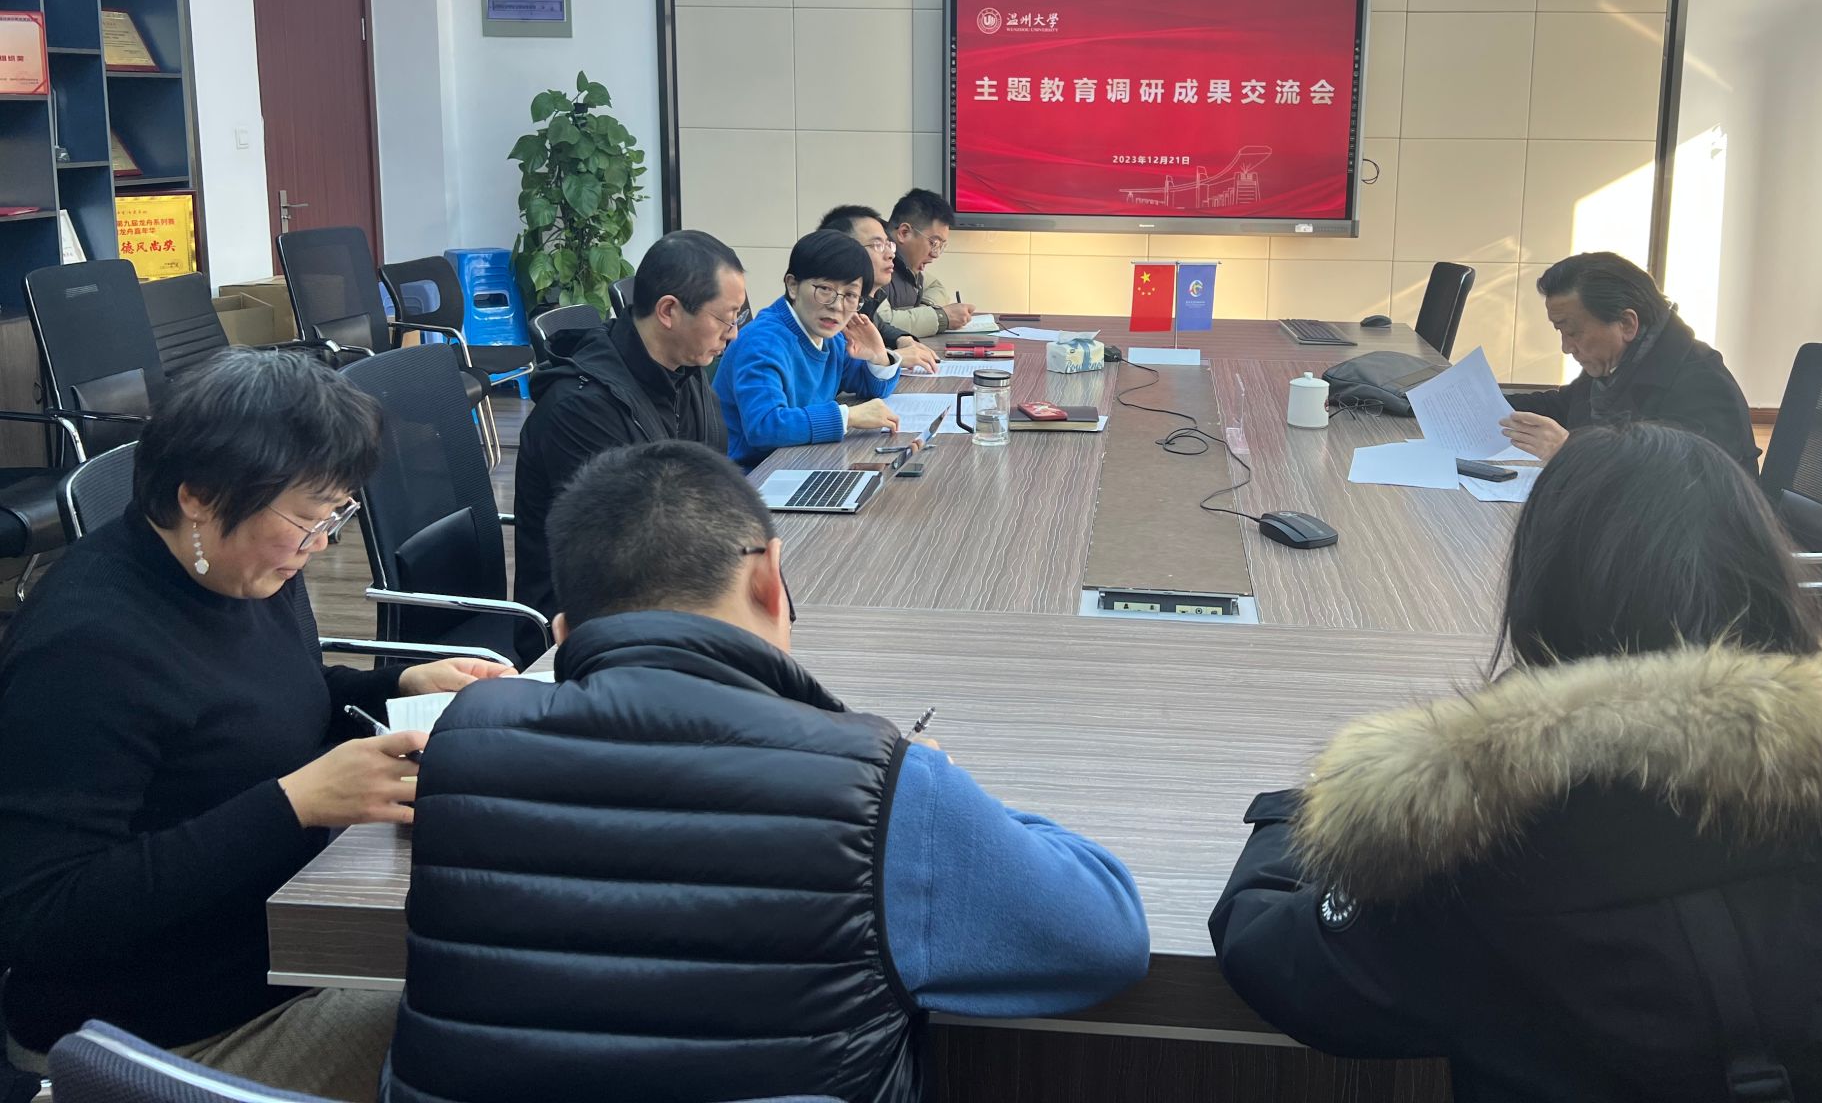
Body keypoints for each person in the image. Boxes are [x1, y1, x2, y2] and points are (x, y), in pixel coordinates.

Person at [1210, 423, 1822, 1103]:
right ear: (1769, 578)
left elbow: (1282, 964)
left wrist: (1310, 811)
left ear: (1547, 597)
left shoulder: (1497, 841)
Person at [384, 439, 1150, 1103]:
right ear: (769, 580)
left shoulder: (464, 740)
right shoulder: (875, 784)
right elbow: (1104, 936)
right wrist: (943, 793)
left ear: (562, 632)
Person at [0, 349, 511, 1103]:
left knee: (510, 962)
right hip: (152, 1031)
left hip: (277, 950)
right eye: (309, 517)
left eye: (337, 513)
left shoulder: (244, 567)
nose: (324, 542)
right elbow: (44, 915)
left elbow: (264, 704)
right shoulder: (86, 649)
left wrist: (397, 682)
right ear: (201, 496)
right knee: (494, 1013)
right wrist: (293, 804)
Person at [513, 228, 747, 632]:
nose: (734, 333)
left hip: (669, 593)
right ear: (669, 311)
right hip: (586, 627)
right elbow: (623, 557)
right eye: (726, 318)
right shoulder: (580, 409)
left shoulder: (684, 370)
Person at [1501, 250, 1757, 469]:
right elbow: (1562, 406)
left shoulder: (1703, 383)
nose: (1566, 347)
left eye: (1572, 332)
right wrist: (1489, 403)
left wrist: (1571, 451)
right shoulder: (1615, 366)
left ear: (1626, 323)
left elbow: (1682, 476)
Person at [713, 229, 904, 468]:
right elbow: (765, 426)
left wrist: (878, 357)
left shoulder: (829, 336)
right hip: (749, 476)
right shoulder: (763, 342)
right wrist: (848, 416)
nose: (837, 306)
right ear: (793, 285)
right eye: (825, 289)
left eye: (850, 295)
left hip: (797, 462)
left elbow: (871, 389)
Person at [817, 203, 940, 372]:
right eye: (877, 245)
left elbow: (879, 326)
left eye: (889, 245)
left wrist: (902, 339)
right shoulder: (827, 308)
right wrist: (892, 358)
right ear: (841, 251)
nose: (891, 254)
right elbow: (839, 367)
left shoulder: (864, 300)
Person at [878, 188, 974, 338]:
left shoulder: (907, 264)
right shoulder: (871, 260)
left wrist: (925, 310)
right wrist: (941, 317)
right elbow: (880, 324)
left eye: (941, 246)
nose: (935, 254)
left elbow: (935, 286)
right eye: (933, 243)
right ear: (904, 233)